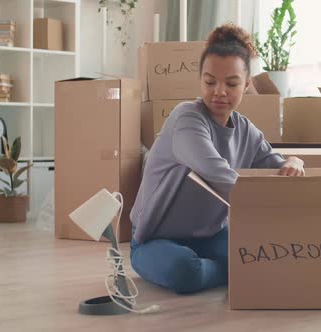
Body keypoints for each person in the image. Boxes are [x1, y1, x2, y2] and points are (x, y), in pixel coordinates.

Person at [129, 23, 305, 294]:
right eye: (210, 82)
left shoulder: (245, 129)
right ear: (200, 80)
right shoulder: (187, 118)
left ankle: (230, 265)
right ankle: (232, 268)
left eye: (232, 83)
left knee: (267, 252)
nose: (219, 91)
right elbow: (218, 173)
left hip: (209, 236)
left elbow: (278, 165)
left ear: (246, 85)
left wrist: (293, 162)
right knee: (186, 271)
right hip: (155, 239)